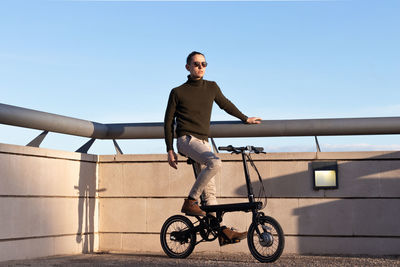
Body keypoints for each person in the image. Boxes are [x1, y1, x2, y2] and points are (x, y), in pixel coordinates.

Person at [164, 51, 261, 244]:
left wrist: (245, 118)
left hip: (203, 142)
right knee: (215, 163)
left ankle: (222, 232)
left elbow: (226, 105)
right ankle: (191, 201)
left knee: (211, 195)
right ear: (188, 67)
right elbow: (168, 122)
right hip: (186, 140)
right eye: (196, 64)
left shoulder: (211, 87)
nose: (200, 67)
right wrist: (169, 149)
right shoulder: (177, 91)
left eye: (204, 64)